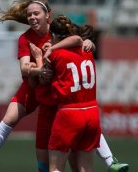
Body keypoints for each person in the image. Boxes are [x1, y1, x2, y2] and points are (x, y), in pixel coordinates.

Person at [0, 0, 129, 172]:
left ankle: (111, 161)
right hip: (34, 87)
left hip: (56, 91)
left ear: (48, 15)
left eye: (36, 13)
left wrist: (89, 43)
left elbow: (80, 40)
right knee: (9, 119)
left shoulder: (58, 30)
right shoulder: (25, 38)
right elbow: (25, 68)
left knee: (78, 120)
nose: (32, 17)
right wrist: (40, 70)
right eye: (29, 14)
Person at [42, 14, 101, 172]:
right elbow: (78, 40)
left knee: (55, 169)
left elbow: (42, 80)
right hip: (92, 113)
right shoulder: (86, 49)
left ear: (54, 36)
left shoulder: (54, 55)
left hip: (69, 113)